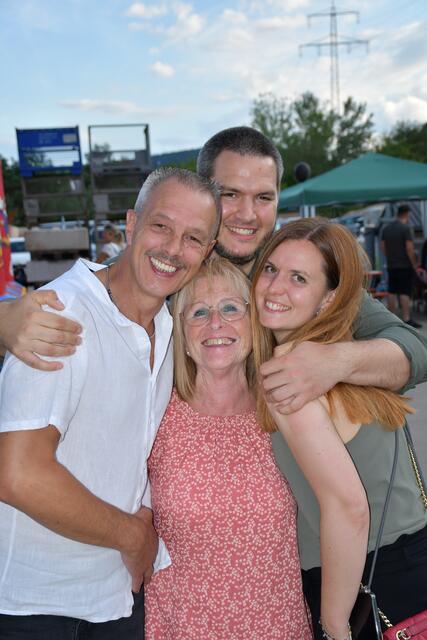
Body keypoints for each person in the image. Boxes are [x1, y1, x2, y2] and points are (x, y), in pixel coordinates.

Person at [3, 127, 426, 419]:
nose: (247, 214)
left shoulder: (294, 277)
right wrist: (5, 321)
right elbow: (96, 292)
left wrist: (336, 362)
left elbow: (414, 350)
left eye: (263, 197)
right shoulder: (169, 270)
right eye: (230, 195)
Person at [0, 167, 220, 639]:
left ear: (207, 251)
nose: (173, 249)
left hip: (115, 596)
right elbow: (17, 474)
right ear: (131, 224)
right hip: (36, 606)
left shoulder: (168, 324)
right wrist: (133, 534)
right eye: (161, 226)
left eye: (193, 238)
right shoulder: (64, 316)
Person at [251, 217, 427, 640]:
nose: (275, 288)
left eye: (298, 278)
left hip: (362, 580)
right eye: (271, 269)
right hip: (413, 559)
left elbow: (348, 508)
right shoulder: (348, 355)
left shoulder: (290, 373)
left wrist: (333, 625)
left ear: (328, 298)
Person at [144, 256, 313, 639]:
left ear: (254, 323)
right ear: (181, 332)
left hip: (278, 627)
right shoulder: (155, 414)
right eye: (199, 312)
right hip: (182, 628)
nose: (216, 323)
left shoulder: (283, 408)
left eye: (231, 308)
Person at [380, 203, 421, 328]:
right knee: (404, 292)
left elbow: (383, 247)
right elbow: (409, 248)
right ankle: (406, 318)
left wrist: (390, 257)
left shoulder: (386, 229)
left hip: (391, 265)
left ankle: (391, 319)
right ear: (407, 214)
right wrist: (414, 264)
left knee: (391, 291)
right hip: (404, 265)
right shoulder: (405, 228)